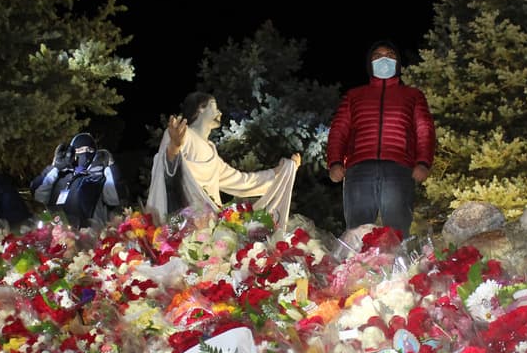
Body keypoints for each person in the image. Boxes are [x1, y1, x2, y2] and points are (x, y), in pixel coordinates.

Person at [326, 40, 436, 237]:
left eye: (390, 55)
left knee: (396, 235)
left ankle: (398, 268)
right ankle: (355, 268)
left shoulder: (412, 95)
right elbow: (339, 130)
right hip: (359, 170)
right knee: (357, 234)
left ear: (398, 63)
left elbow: (424, 129)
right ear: (369, 64)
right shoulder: (354, 95)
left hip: (398, 170)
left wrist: (423, 162)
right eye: (377, 56)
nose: (384, 59)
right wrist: (334, 162)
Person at [145, 92, 300, 229]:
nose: (219, 112)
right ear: (200, 108)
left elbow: (241, 181)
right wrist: (174, 147)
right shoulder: (181, 134)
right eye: (214, 106)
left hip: (210, 226)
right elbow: (165, 171)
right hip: (181, 224)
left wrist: (279, 173)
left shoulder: (211, 149)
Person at [30, 132, 125, 229]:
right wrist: (55, 167)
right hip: (59, 235)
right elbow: (38, 195)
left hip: (90, 237)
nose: (85, 153)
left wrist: (111, 167)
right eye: (79, 149)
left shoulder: (99, 177)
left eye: (89, 149)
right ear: (72, 153)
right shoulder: (61, 175)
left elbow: (114, 199)